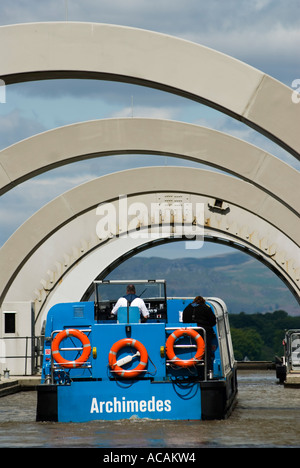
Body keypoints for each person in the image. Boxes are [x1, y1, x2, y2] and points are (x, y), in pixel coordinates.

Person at [182, 296, 217, 371]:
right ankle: (206, 370)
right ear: (202, 301)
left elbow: (184, 321)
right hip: (203, 334)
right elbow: (213, 321)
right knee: (206, 353)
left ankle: (189, 368)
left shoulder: (187, 309)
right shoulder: (206, 308)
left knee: (191, 352)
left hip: (190, 334)